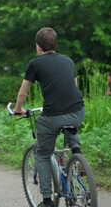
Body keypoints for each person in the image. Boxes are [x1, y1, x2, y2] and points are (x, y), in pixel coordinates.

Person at [13, 27, 85, 207]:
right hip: (77, 111)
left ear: (38, 46)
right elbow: (73, 87)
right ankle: (77, 154)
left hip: (52, 116)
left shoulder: (35, 63)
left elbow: (23, 92)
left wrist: (18, 109)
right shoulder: (68, 61)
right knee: (70, 123)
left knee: (43, 153)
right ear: (55, 44)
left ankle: (46, 201)